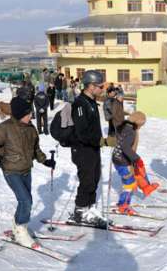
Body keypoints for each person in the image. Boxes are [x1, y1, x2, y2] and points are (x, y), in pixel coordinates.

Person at [0, 96, 56, 248]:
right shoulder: (4, 129)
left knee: (25, 200)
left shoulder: (31, 128)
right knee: (26, 201)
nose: (31, 116)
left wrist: (44, 160)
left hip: (26, 169)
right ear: (20, 113)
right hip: (11, 170)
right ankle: (21, 231)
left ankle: (18, 226)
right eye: (28, 113)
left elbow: (35, 149)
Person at [68, 70, 110, 227]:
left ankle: (89, 209)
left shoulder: (91, 102)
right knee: (87, 181)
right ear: (91, 86)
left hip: (93, 148)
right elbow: (82, 133)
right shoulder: (80, 104)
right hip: (82, 149)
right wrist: (103, 141)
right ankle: (80, 211)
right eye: (100, 86)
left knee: (94, 179)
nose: (102, 89)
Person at [112, 111, 159, 214]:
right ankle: (123, 205)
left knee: (129, 182)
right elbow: (125, 147)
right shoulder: (131, 131)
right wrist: (136, 158)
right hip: (123, 161)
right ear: (137, 122)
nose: (141, 127)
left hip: (117, 159)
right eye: (141, 124)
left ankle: (124, 202)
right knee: (130, 184)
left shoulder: (125, 127)